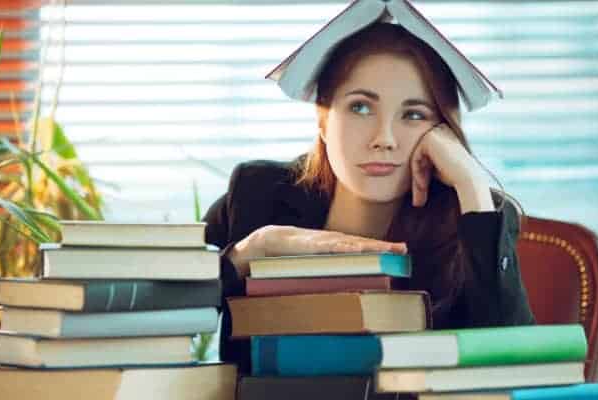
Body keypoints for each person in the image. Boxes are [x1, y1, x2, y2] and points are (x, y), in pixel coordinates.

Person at [203, 22, 535, 373]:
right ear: (323, 120)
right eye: (361, 107)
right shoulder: (258, 194)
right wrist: (249, 254)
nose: (385, 138)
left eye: (413, 114)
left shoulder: (477, 214)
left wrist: (471, 183)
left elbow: (515, 370)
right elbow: (153, 318)